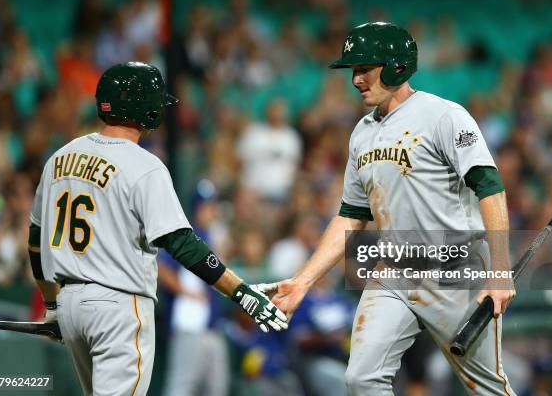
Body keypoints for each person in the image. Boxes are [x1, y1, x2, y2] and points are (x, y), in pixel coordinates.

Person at [271, 22, 516, 395]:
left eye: (363, 68)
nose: (355, 79)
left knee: (487, 388)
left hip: (457, 268)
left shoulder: (443, 116)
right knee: (361, 378)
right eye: (353, 70)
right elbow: (350, 216)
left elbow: (490, 190)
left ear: (395, 66)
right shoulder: (361, 134)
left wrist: (499, 271)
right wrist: (303, 281)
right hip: (394, 270)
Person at [26, 61, 287, 395]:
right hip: (118, 306)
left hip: (70, 303)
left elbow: (35, 243)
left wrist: (51, 306)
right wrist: (240, 291)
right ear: (147, 110)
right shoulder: (145, 166)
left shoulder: (59, 158)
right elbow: (182, 243)